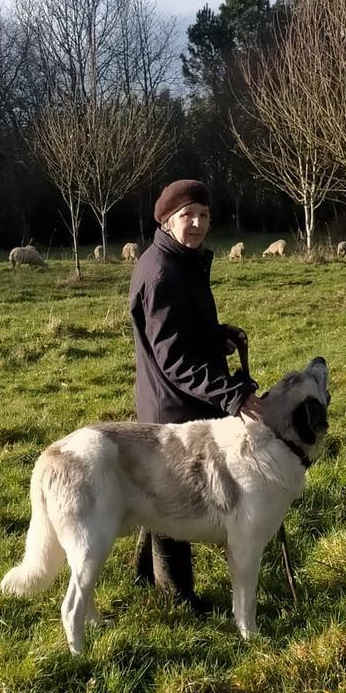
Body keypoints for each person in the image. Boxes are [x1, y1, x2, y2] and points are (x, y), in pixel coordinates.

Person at [128, 179, 265, 613]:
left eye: (203, 215)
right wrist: (233, 395)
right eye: (187, 215)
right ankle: (177, 599)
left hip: (173, 399)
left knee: (157, 491)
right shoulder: (164, 273)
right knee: (172, 501)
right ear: (168, 221)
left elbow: (181, 333)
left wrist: (216, 335)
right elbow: (175, 359)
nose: (197, 223)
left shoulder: (179, 260)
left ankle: (143, 575)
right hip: (172, 407)